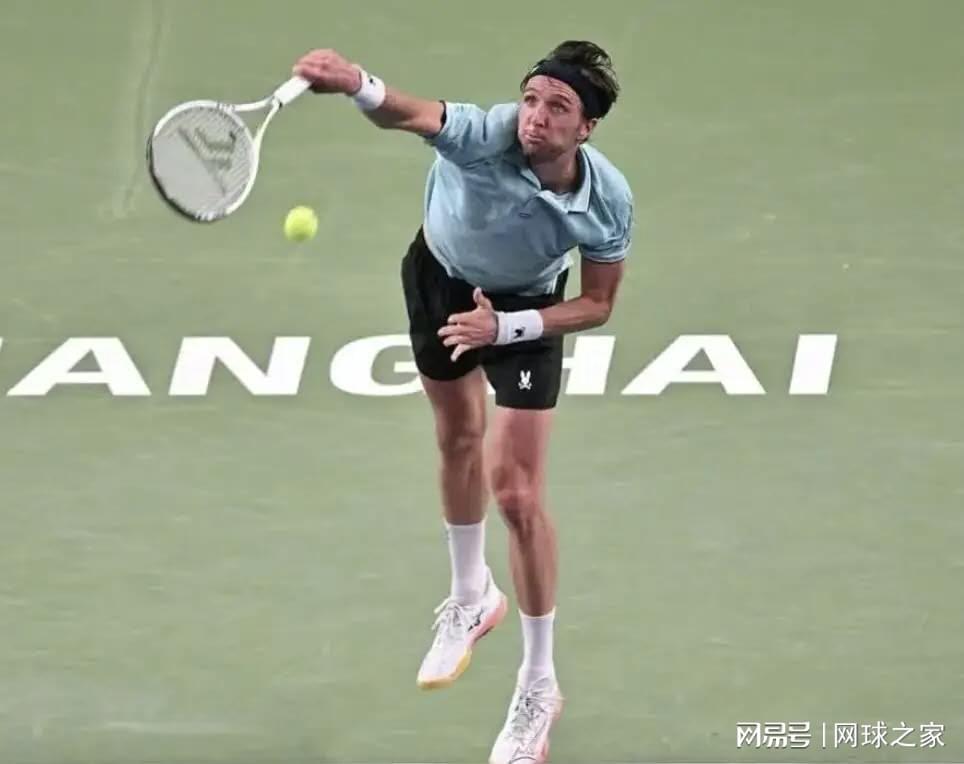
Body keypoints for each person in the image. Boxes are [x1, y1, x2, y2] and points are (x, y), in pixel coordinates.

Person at [294, 40, 633, 764]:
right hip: (439, 280)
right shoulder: (485, 132)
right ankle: (471, 595)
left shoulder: (606, 199)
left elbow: (598, 304)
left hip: (527, 310)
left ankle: (538, 684)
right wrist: (356, 83)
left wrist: (505, 327)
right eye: (532, 98)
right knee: (456, 438)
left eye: (558, 107)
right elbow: (409, 113)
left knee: (517, 494)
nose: (535, 116)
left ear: (587, 128)